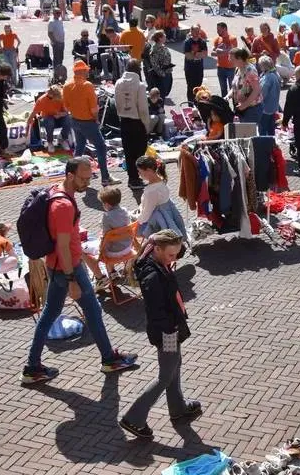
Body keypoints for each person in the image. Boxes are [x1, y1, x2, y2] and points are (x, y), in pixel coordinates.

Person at [23, 157, 138, 385]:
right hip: (68, 268)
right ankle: (109, 359)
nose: (87, 183)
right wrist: (71, 279)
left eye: (89, 178)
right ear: (70, 175)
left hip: (57, 266)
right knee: (93, 311)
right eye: (83, 179)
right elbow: (63, 246)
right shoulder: (63, 206)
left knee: (50, 314)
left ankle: (32, 367)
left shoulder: (58, 192)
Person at [119, 229, 201, 440]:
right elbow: (157, 311)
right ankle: (134, 417)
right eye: (171, 255)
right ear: (157, 249)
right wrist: (171, 331)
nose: (174, 259)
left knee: (174, 366)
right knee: (166, 375)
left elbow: (177, 250)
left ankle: (178, 408)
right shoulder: (153, 275)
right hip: (167, 333)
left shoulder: (154, 260)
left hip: (168, 330)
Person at [64, 61, 117, 186]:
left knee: (80, 147)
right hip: (88, 122)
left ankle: (73, 176)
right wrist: (96, 119)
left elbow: (66, 107)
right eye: (86, 70)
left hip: (74, 120)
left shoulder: (67, 86)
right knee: (101, 147)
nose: (88, 72)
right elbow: (94, 109)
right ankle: (105, 178)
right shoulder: (87, 86)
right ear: (82, 71)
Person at [114, 60, 151, 189]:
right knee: (139, 152)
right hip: (137, 122)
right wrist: (146, 125)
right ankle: (136, 178)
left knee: (128, 152)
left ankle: (132, 178)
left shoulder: (118, 83)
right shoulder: (140, 86)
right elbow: (143, 109)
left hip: (124, 121)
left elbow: (117, 103)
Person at [134, 156, 187, 239]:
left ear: (148, 170)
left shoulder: (152, 191)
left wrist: (137, 220)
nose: (138, 174)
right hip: (168, 214)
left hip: (158, 220)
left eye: (140, 171)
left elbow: (146, 213)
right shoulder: (161, 179)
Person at [30, 85, 73, 152]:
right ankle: (50, 142)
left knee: (68, 119)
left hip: (59, 118)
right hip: (47, 118)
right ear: (51, 95)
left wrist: (60, 114)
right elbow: (34, 112)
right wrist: (28, 122)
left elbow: (67, 112)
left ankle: (63, 139)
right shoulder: (41, 100)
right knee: (50, 121)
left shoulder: (62, 97)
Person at [183, 24, 208, 101]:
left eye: (198, 31)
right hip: (190, 68)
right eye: (195, 31)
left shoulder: (202, 42)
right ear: (191, 31)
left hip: (199, 67)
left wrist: (193, 53)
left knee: (199, 86)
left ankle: (197, 102)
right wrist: (198, 54)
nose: (197, 33)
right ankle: (190, 103)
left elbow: (205, 54)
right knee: (190, 86)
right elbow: (188, 56)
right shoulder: (187, 42)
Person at [146, 30, 174, 99]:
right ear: (160, 38)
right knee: (160, 96)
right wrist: (163, 74)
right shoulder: (154, 49)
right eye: (164, 35)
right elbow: (155, 65)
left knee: (165, 93)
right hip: (160, 76)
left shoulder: (163, 46)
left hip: (167, 73)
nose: (165, 36)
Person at [258, 56, 281, 136]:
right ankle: (271, 142)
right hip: (273, 107)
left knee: (263, 130)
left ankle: (264, 143)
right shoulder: (275, 74)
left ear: (263, 66)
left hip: (265, 108)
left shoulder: (267, 77)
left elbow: (262, 93)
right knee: (271, 129)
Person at [213, 22, 237, 96]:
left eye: (219, 30)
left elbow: (232, 52)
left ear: (225, 29)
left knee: (233, 89)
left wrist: (219, 51)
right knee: (223, 90)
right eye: (217, 29)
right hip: (220, 68)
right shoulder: (217, 39)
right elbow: (212, 53)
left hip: (231, 68)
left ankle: (235, 104)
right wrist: (225, 51)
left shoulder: (232, 39)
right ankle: (224, 103)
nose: (217, 31)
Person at [47, 10, 66, 78]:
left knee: (61, 58)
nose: (59, 14)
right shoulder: (51, 22)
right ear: (53, 13)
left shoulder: (60, 20)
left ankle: (60, 72)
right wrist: (54, 41)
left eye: (59, 13)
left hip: (62, 42)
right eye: (57, 13)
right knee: (56, 59)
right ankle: (56, 74)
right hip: (56, 43)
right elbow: (50, 33)